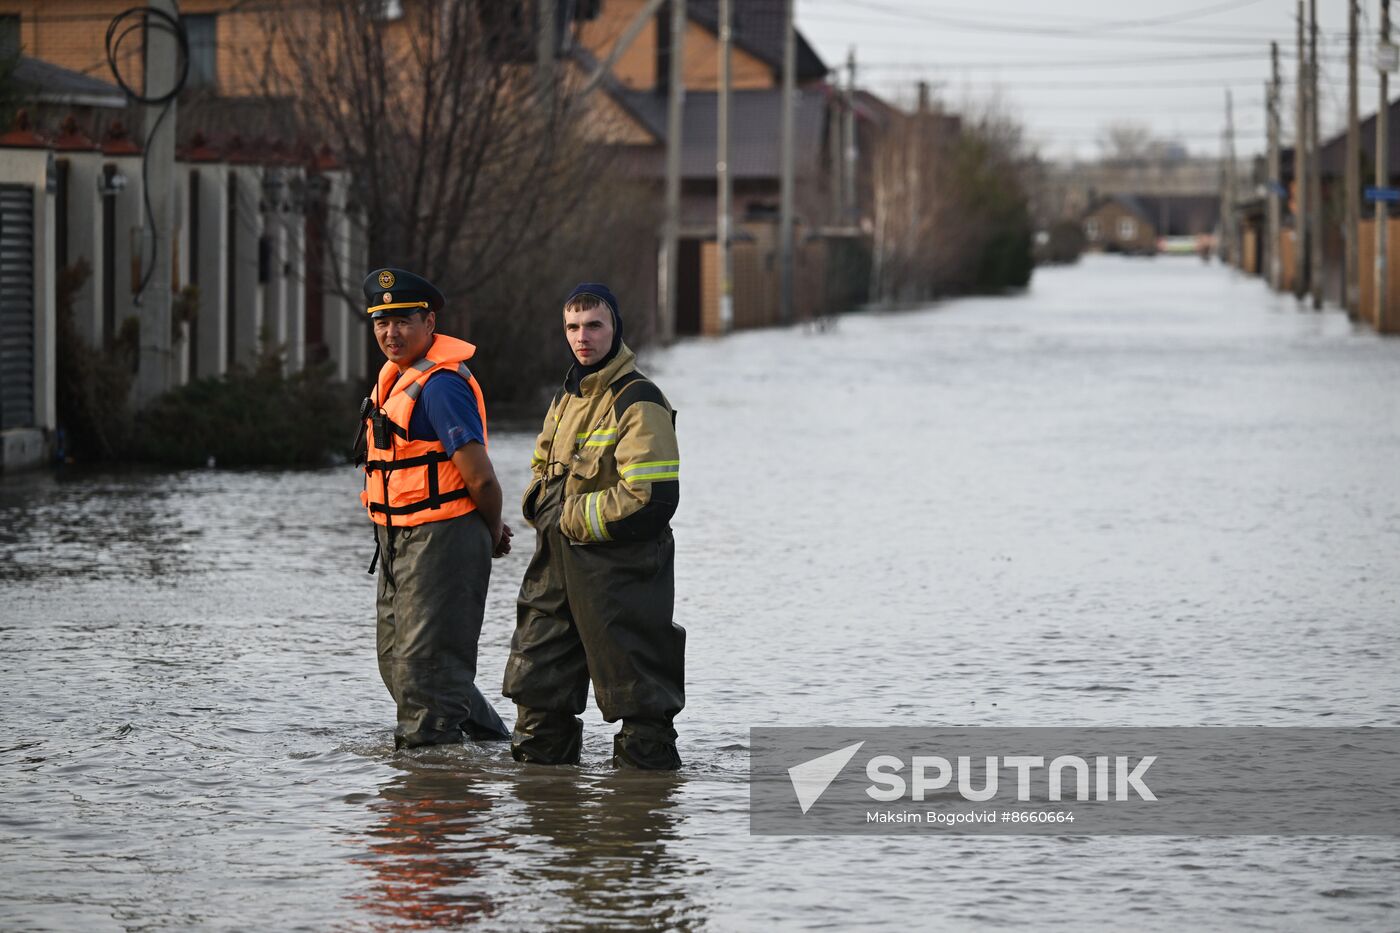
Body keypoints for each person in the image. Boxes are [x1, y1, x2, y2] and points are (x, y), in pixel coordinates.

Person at [502, 283, 686, 770]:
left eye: (594, 325)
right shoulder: (565, 398)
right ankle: (548, 819)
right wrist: (539, 507)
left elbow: (653, 500)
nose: (582, 337)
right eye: (573, 327)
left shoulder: (639, 399)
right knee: (537, 693)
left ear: (615, 329)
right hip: (553, 569)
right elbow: (542, 468)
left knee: (641, 706)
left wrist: (567, 517)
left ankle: (641, 822)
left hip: (620, 574)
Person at [356, 267, 513, 748]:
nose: (391, 333)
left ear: (429, 322)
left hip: (442, 536)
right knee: (399, 665)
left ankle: (431, 797)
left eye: (403, 321)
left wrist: (491, 530)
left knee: (426, 675)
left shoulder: (442, 387)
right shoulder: (394, 382)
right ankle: (494, 747)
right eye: (382, 323)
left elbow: (480, 476)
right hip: (397, 539)